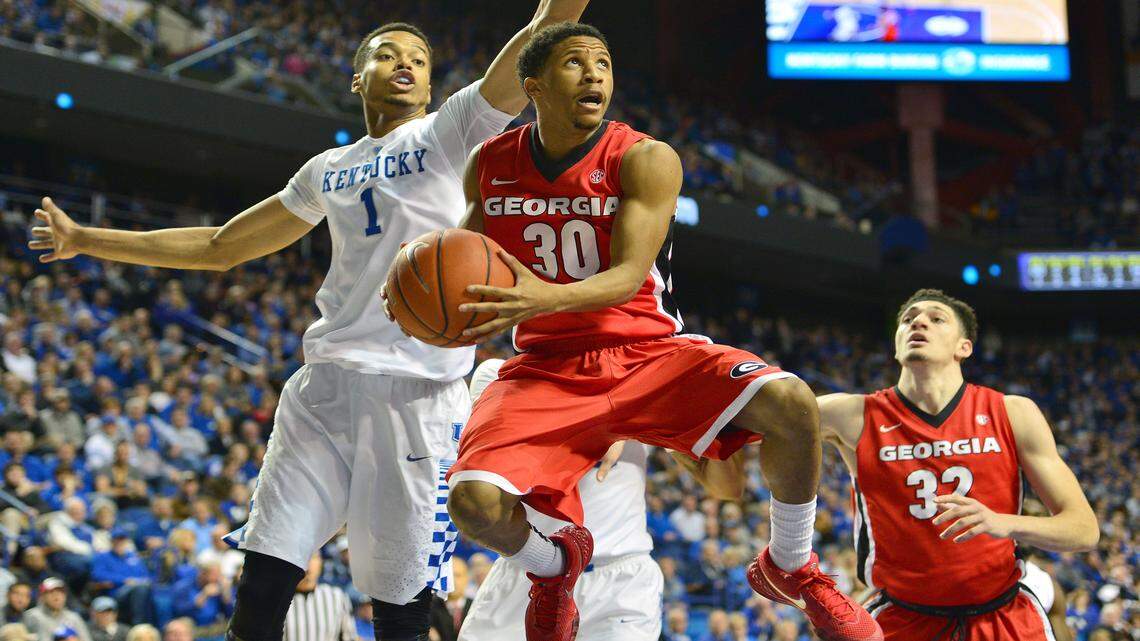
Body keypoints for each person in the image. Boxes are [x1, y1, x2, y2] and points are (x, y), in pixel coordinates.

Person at [27, 3, 590, 641]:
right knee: (263, 583)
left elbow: (532, 42)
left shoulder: (449, 131)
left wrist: (560, 10)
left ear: (433, 85)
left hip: (418, 395)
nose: (404, 63)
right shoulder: (328, 169)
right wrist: (86, 240)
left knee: (399, 609)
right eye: (387, 53)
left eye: (418, 59)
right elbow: (222, 246)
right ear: (358, 78)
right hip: (321, 392)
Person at [439, 22, 880, 641]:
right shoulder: (490, 163)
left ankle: (791, 565)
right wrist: (416, 285)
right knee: (474, 505)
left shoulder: (645, 156)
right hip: (544, 365)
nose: (595, 74)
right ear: (532, 85)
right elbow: (461, 255)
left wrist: (541, 295)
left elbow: (625, 277)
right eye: (575, 62)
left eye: (604, 62)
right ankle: (553, 564)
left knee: (791, 402)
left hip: (645, 352)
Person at [816, 288, 1100, 640]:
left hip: (1002, 612)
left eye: (936, 319)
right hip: (904, 616)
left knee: (1051, 595)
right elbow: (761, 420)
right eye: (908, 319)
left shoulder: (1012, 412)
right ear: (896, 343)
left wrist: (1002, 522)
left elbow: (1084, 529)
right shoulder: (851, 413)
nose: (918, 321)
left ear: (963, 347)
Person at [459, 359, 748, 641]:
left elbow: (726, 487)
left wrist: (719, 411)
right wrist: (608, 417)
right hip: (530, 572)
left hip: (621, 583)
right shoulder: (497, 374)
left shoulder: (644, 381)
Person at [282, 555, 355, 641]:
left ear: (320, 562)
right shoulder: (278, 598)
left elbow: (349, 637)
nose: (307, 563)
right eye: (303, 556)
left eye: (312, 556)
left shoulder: (337, 596)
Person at [21, 579, 91, 641]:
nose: (56, 596)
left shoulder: (74, 617)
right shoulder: (32, 616)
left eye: (60, 592)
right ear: (42, 596)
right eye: (51, 592)